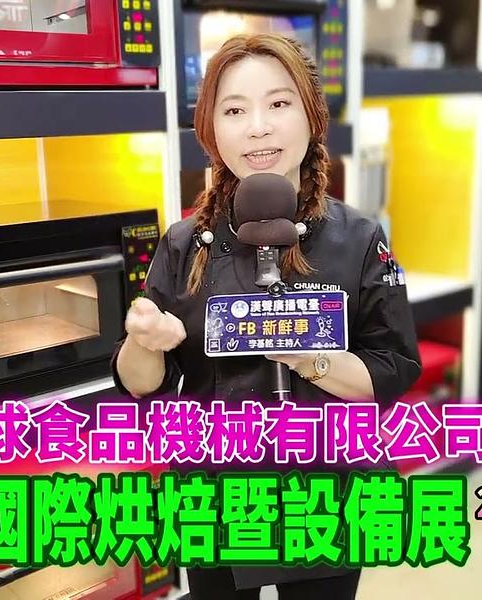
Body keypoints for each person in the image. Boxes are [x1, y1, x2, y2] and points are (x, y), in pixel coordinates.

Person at [112, 33, 421, 599]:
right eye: (234, 110)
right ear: (211, 129)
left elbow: (392, 368)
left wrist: (311, 358)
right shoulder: (183, 243)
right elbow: (141, 384)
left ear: (312, 115)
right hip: (216, 495)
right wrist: (144, 342)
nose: (258, 127)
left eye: (278, 103)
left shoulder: (359, 239)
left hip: (328, 493)